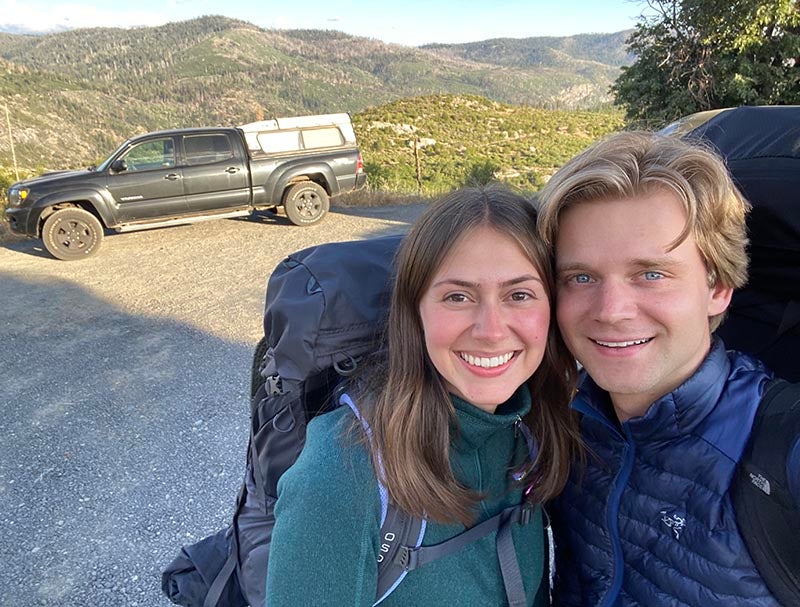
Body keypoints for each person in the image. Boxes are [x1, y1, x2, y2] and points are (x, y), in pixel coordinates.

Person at [265, 184, 581, 606]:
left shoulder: (534, 431)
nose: (490, 330)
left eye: (518, 295)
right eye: (457, 296)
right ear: (415, 313)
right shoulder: (343, 474)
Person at [535, 131, 800, 606]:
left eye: (651, 274)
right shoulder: (564, 424)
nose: (612, 310)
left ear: (718, 287)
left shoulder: (782, 451)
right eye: (581, 277)